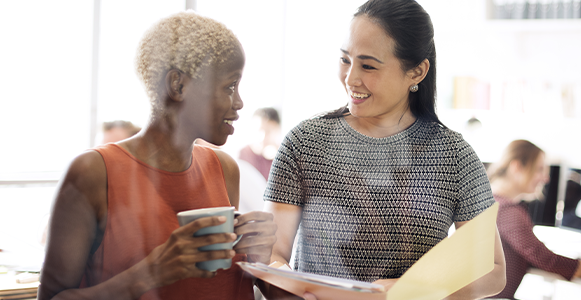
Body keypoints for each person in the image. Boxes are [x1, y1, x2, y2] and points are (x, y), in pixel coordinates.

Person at [262, 0, 507, 299]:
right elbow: (272, 253)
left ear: (416, 72)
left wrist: (415, 289)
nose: (351, 78)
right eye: (344, 59)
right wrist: (288, 287)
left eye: (368, 65)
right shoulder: (305, 142)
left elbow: (492, 270)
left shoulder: (455, 156)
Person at [38, 12, 277, 300]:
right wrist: (150, 274)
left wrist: (259, 261)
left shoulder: (224, 168)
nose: (239, 102)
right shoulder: (93, 172)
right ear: (178, 86)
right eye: (229, 86)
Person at [486, 140, 581, 299]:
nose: (545, 178)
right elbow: (544, 259)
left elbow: (533, 257)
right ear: (517, 167)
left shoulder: (490, 201)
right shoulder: (507, 210)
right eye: (539, 169)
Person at [239, 107, 282, 180]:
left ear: (277, 130)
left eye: (268, 132)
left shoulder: (282, 158)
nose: (263, 137)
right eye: (260, 130)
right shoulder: (243, 155)